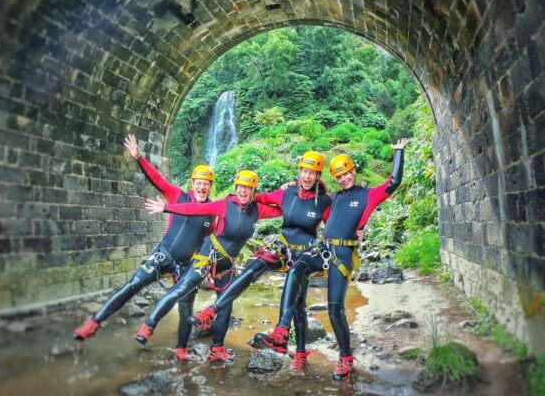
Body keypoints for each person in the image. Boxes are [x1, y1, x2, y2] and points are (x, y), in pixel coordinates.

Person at [252, 138, 409, 380]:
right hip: (323, 249)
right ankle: (282, 331)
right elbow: (311, 198)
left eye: (347, 173)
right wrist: (292, 185)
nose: (344, 178)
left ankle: (345, 358)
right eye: (339, 176)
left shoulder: (368, 195)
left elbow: (393, 182)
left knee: (335, 310)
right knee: (295, 270)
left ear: (353, 171)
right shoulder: (333, 198)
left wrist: (398, 151)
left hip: (343, 256)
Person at [71, 135, 215, 361]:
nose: (202, 187)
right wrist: (139, 157)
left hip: (186, 264)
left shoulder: (213, 212)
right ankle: (93, 323)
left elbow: (210, 240)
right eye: (198, 182)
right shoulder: (178, 196)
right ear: (192, 183)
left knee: (186, 309)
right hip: (163, 254)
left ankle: (181, 350)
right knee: (133, 284)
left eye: (206, 184)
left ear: (210, 187)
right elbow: (157, 179)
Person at [187, 151, 332, 369]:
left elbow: (335, 225)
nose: (307, 176)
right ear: (300, 171)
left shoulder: (325, 202)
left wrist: (357, 231)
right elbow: (256, 198)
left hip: (305, 253)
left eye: (312, 173)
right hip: (282, 245)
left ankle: (298, 351)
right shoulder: (287, 192)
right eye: (304, 171)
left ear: (318, 175)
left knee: (299, 305)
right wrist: (234, 201)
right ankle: (212, 311)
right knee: (251, 269)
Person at [135, 170, 281, 362]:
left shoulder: (257, 210)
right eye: (240, 187)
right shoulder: (224, 205)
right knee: (182, 288)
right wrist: (166, 208)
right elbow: (194, 209)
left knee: (226, 305)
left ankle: (216, 349)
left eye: (248, 188)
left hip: (226, 264)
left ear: (254, 190)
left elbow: (285, 208)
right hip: (208, 255)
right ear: (236, 187)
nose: (243, 191)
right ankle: (149, 325)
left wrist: (287, 190)